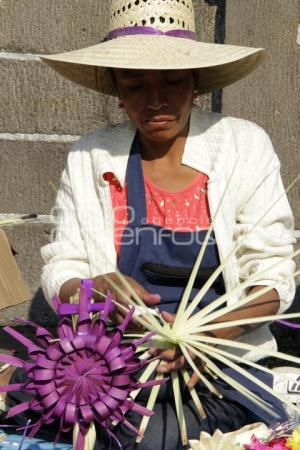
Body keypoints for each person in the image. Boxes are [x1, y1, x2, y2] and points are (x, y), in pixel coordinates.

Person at [0, 1, 296, 449]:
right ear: (116, 89)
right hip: (112, 370)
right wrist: (91, 288)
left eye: (172, 82)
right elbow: (61, 267)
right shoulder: (91, 154)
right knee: (38, 400)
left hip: (221, 370)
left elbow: (274, 277)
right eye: (135, 85)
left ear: (195, 82)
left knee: (156, 438)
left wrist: (202, 337)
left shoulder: (243, 145)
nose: (155, 100)